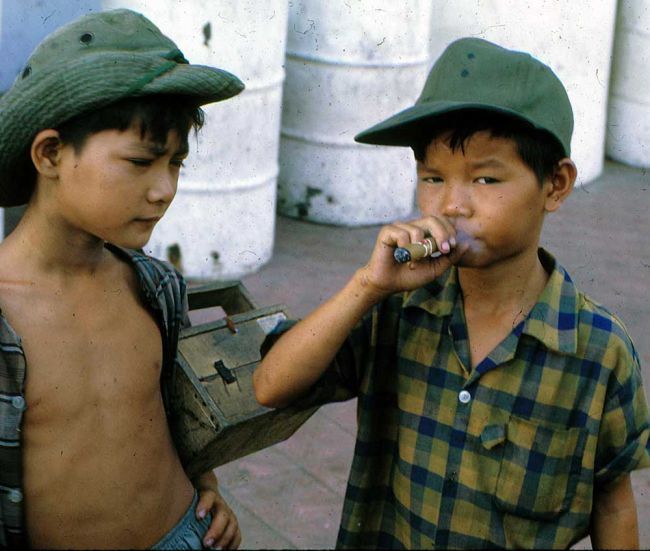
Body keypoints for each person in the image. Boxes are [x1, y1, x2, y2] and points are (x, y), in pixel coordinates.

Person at [253, 37, 650, 549]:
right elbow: (271, 387)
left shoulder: (598, 352)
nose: (453, 204)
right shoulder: (392, 309)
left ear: (555, 185)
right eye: (432, 177)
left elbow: (613, 500)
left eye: (485, 178)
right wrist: (368, 285)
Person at [0, 9, 244, 549]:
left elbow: (169, 411)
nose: (164, 190)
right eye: (140, 162)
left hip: (187, 533)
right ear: (50, 154)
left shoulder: (153, 286)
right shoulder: (5, 313)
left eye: (176, 164)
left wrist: (205, 484)